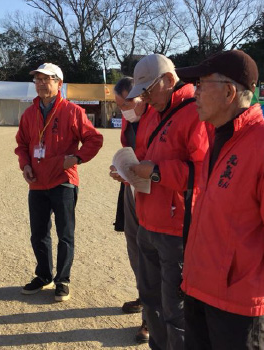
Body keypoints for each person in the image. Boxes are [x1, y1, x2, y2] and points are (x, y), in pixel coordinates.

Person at [176, 50, 264, 349]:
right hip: (198, 287)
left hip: (239, 306)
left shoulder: (259, 143)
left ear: (229, 91)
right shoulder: (215, 137)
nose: (194, 92)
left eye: (201, 84)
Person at [127, 54, 209, 350]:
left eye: (149, 89)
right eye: (143, 92)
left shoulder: (196, 113)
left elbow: (203, 172)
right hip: (147, 219)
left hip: (177, 228)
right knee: (150, 301)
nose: (145, 97)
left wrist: (158, 172)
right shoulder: (150, 111)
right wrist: (129, 170)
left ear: (170, 80)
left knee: (175, 310)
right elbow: (142, 154)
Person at [15, 63, 103, 302]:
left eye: (47, 79)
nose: (41, 83)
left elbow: (94, 139)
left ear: (59, 83)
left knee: (65, 234)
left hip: (63, 181)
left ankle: (62, 279)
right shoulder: (29, 113)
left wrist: (76, 158)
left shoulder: (73, 111)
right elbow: (22, 144)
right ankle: (44, 276)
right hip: (37, 182)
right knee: (38, 233)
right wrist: (25, 165)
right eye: (38, 79)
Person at [110, 77, 150, 343]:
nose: (122, 109)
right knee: (135, 248)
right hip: (132, 188)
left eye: (126, 103)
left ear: (140, 97)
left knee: (152, 252)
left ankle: (150, 319)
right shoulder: (130, 118)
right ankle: (144, 296)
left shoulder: (157, 117)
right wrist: (122, 171)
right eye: (118, 105)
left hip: (154, 192)